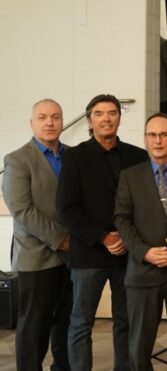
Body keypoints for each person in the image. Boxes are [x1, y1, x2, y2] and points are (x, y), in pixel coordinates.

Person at [57, 94, 148, 371]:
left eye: (112, 113)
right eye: (99, 113)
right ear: (89, 120)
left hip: (127, 253)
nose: (106, 118)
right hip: (89, 253)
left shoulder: (138, 156)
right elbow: (67, 209)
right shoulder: (74, 157)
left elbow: (144, 206)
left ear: (119, 118)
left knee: (126, 321)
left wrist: (125, 238)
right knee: (81, 322)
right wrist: (104, 237)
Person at [112, 113, 167, 371]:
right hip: (142, 272)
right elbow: (121, 218)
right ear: (145, 139)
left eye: (163, 134)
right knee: (139, 344)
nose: (158, 140)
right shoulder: (130, 176)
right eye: (152, 135)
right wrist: (144, 252)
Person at [3, 99, 73, 371]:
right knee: (34, 328)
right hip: (37, 259)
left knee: (65, 322)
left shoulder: (72, 155)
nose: (50, 122)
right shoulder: (17, 160)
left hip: (71, 258)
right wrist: (62, 239)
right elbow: (23, 210)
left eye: (55, 116)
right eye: (43, 117)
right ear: (31, 123)